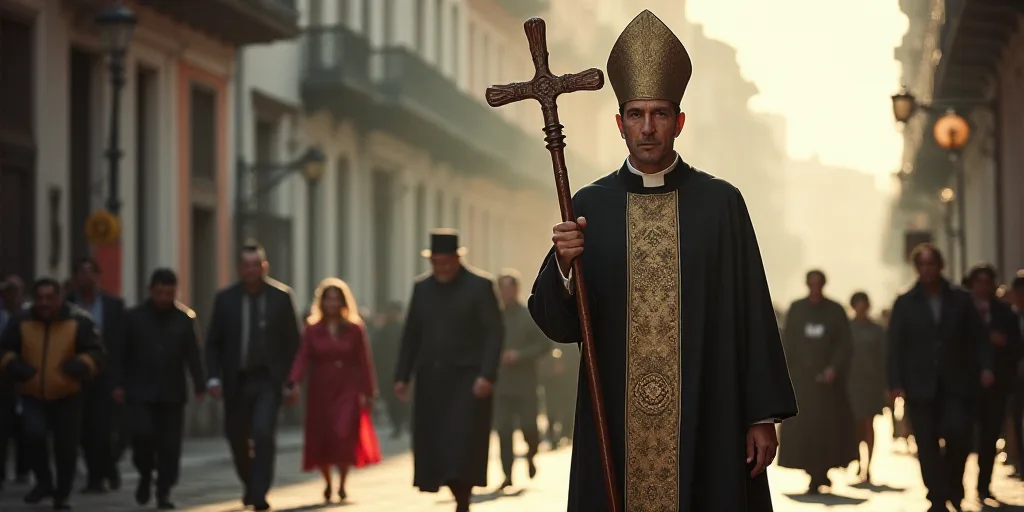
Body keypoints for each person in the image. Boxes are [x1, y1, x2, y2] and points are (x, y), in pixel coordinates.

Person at [527, 10, 797, 511]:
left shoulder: (721, 204)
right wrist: (564, 266)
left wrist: (761, 416)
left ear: (679, 121)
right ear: (619, 123)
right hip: (616, 413)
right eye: (636, 115)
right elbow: (558, 323)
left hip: (707, 410)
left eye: (659, 114)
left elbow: (752, 312)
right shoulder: (588, 206)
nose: (647, 128)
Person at [393, 229, 504, 512]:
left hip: (469, 379)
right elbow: (412, 335)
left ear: (457, 258)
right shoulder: (422, 288)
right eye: (436, 263)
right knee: (438, 442)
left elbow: (494, 333)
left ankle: (463, 497)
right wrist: (401, 376)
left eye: (446, 263)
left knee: (463, 441)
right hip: (432, 378)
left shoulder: (480, 286)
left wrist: (487, 374)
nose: (441, 269)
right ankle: (453, 490)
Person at [887, 244, 993, 512]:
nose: (927, 270)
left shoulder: (960, 298)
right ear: (916, 268)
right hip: (919, 386)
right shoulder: (906, 302)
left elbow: (978, 338)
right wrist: (895, 383)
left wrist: (985, 367)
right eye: (921, 265)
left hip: (957, 384)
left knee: (959, 437)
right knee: (926, 444)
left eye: (931, 264)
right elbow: (894, 346)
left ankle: (954, 488)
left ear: (940, 266)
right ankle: (936, 496)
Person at [205, 243, 302, 511]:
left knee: (262, 433)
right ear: (240, 268)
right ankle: (250, 482)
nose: (251, 270)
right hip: (236, 379)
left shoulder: (281, 298)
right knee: (236, 437)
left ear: (264, 267)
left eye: (256, 265)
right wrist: (212, 378)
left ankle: (259, 493)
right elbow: (213, 342)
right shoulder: (225, 299)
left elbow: (294, 344)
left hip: (268, 380)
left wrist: (292, 382)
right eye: (246, 265)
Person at [0, 277, 104, 510]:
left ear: (58, 298)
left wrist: (81, 364)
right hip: (33, 391)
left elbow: (97, 352)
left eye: (50, 298)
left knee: (66, 446)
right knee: (32, 435)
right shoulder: (21, 321)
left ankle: (62, 494)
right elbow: (4, 349)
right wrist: (14, 365)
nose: (45, 303)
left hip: (68, 393)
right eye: (40, 298)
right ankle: (44, 481)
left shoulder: (79, 321)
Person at [112, 269, 206, 509]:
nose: (164, 298)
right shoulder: (133, 318)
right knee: (141, 437)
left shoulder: (185, 319)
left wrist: (200, 384)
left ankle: (163, 491)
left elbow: (193, 356)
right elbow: (119, 354)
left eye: (169, 293)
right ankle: (145, 475)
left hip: (172, 394)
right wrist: (118, 384)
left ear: (176, 292)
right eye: (159, 293)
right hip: (140, 391)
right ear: (150, 291)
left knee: (170, 448)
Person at [285, 278, 381, 503]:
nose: (332, 304)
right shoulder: (312, 329)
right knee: (322, 437)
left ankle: (343, 482)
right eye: (328, 299)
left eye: (336, 299)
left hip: (347, 387)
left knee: (344, 434)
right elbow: (302, 357)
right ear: (322, 302)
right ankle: (327, 481)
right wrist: (293, 381)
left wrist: (369, 392)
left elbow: (364, 361)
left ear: (343, 302)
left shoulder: (355, 329)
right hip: (320, 389)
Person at [777, 270, 856, 493]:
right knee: (805, 429)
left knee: (828, 429)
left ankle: (823, 470)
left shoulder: (835, 311)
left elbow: (844, 344)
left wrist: (833, 368)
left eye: (818, 285)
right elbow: (789, 341)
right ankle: (811, 471)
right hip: (803, 384)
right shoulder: (798, 309)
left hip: (829, 387)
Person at [66, 257, 126, 493]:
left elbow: (120, 345)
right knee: (84, 431)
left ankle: (104, 470)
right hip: (77, 375)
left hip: (106, 377)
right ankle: (97, 476)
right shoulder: (68, 304)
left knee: (105, 431)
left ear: (99, 277)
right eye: (82, 272)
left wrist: (119, 381)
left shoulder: (114, 305)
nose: (86, 278)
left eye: (91, 273)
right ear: (75, 277)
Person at [964, 264, 1022, 503]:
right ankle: (955, 487)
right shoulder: (961, 309)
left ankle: (983, 485)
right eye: (979, 281)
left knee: (989, 438)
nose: (983, 286)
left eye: (987, 282)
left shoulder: (1004, 313)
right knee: (961, 436)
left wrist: (1003, 343)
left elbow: (1018, 348)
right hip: (964, 385)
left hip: (996, 386)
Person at [494, 270, 550, 489]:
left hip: (526, 383)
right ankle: (507, 474)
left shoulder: (529, 316)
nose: (504, 293)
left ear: (515, 289)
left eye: (507, 288)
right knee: (504, 430)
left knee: (529, 427)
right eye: (500, 289)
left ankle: (531, 453)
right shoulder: (494, 317)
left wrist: (520, 355)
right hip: (502, 385)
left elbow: (544, 345)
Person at [845, 291, 887, 483]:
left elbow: (884, 358)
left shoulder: (877, 330)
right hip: (851, 383)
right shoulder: (846, 328)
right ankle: (856, 459)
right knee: (854, 426)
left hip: (871, 384)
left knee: (868, 425)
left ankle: (867, 465)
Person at [370, 302, 407, 438]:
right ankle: (397, 424)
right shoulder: (382, 331)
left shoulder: (404, 329)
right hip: (386, 371)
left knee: (400, 400)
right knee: (390, 399)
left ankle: (400, 423)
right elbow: (376, 350)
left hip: (401, 370)